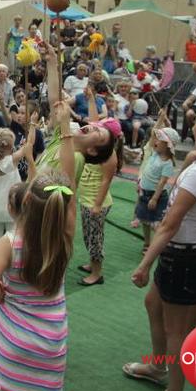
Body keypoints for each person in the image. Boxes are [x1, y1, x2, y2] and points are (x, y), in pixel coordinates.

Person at [124, 26, 196, 391]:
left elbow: (169, 225)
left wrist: (144, 264)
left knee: (178, 331)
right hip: (186, 255)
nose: (194, 118)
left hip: (183, 256)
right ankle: (158, 367)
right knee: (153, 304)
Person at [0, 98, 76, 391]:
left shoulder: (8, 244)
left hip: (16, 336)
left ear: (26, 201)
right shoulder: (64, 234)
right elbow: (69, 181)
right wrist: (65, 127)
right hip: (53, 334)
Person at [35, 43, 118, 176]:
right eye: (96, 127)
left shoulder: (77, 158)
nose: (93, 126)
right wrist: (52, 62)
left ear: (92, 150)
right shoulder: (60, 139)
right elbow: (55, 101)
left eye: (98, 132)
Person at [76, 88, 120, 286]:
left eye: (100, 130)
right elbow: (94, 120)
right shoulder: (99, 145)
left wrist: (97, 205)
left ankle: (97, 273)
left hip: (96, 203)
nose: (95, 128)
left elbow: (106, 181)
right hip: (87, 200)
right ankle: (92, 264)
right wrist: (92, 99)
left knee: (95, 238)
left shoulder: (109, 156)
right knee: (88, 235)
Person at [134, 111, 178, 253]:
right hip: (144, 193)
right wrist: (161, 118)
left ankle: (159, 244)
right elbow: (153, 134)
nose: (155, 141)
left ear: (168, 145)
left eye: (160, 140)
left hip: (157, 196)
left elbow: (162, 183)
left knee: (156, 224)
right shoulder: (154, 153)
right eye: (156, 139)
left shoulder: (167, 163)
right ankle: (147, 243)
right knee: (144, 221)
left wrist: (154, 198)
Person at [0, 127, 35, 246]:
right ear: (11, 147)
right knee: (14, 237)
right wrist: (32, 124)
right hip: (12, 207)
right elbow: (29, 144)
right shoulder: (12, 160)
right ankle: (14, 257)